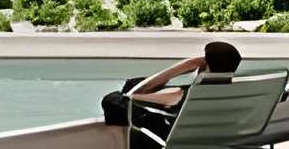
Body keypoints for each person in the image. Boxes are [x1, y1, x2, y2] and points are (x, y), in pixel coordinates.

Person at [105, 41, 244, 143]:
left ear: (204, 64)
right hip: (211, 138)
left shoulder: (185, 94)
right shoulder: (236, 92)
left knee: (114, 99)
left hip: (177, 138)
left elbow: (132, 95)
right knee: (134, 82)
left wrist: (186, 66)